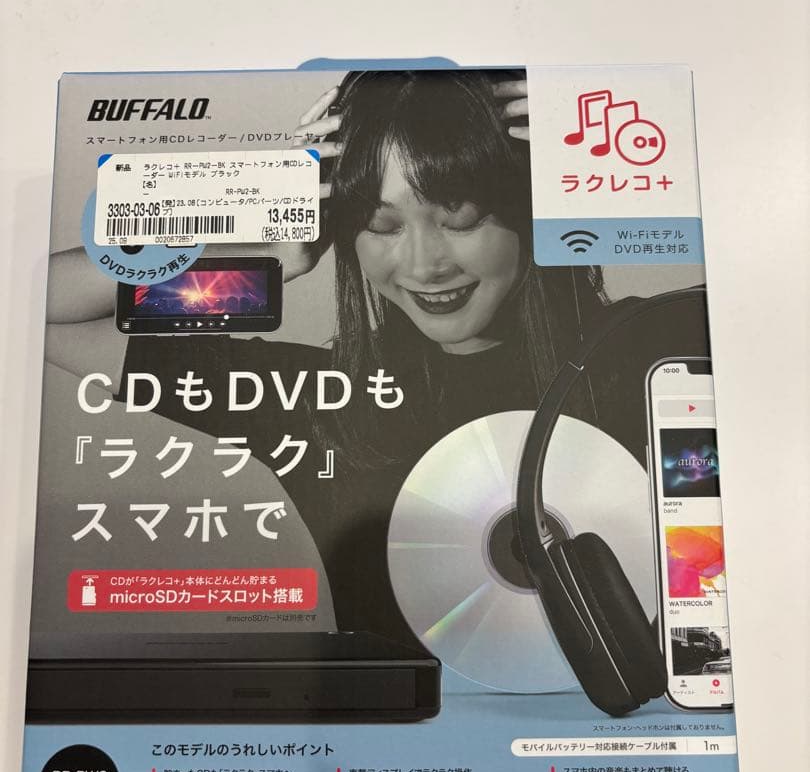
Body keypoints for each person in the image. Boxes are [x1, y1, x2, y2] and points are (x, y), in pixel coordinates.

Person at [45, 68, 709, 643]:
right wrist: (258, 252)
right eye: (381, 225)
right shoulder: (320, 402)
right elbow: (36, 306)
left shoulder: (660, 348)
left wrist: (622, 161)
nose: (423, 264)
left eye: (461, 217)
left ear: (529, 205)